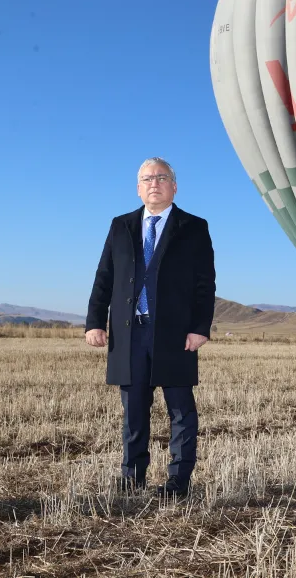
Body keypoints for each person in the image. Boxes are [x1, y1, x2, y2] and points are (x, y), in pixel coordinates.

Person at [85, 157, 216, 498]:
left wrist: (200, 327)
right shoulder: (120, 225)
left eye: (161, 177)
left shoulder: (194, 227)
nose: (154, 183)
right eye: (147, 178)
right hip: (129, 334)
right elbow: (104, 277)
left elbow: (206, 283)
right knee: (134, 413)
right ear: (138, 187)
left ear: (174, 186)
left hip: (175, 335)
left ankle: (177, 483)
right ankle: (132, 480)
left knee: (181, 411)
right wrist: (95, 321)